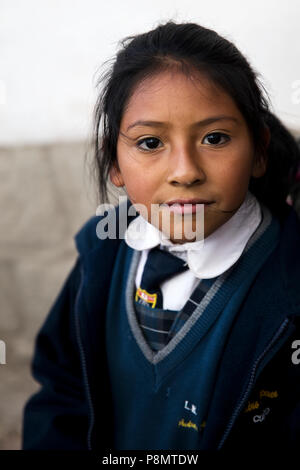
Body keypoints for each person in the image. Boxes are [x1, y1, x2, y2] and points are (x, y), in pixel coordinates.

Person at [22, 20, 300, 451]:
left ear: (259, 151)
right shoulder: (103, 254)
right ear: (113, 163)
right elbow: (62, 389)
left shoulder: (290, 279)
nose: (185, 171)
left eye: (215, 138)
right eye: (150, 143)